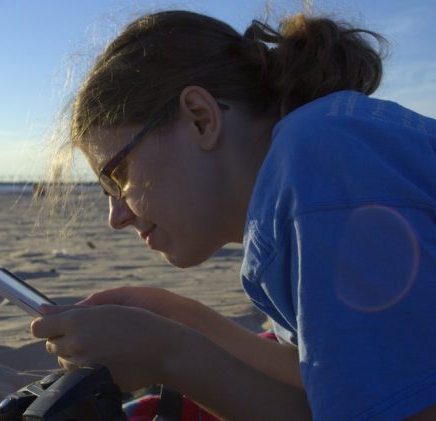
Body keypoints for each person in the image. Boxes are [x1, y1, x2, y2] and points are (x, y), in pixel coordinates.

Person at [31, 9, 436, 420]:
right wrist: (186, 320)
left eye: (117, 177)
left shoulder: (320, 167)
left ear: (201, 119)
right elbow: (336, 382)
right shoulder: (313, 159)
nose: (116, 217)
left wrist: (169, 355)